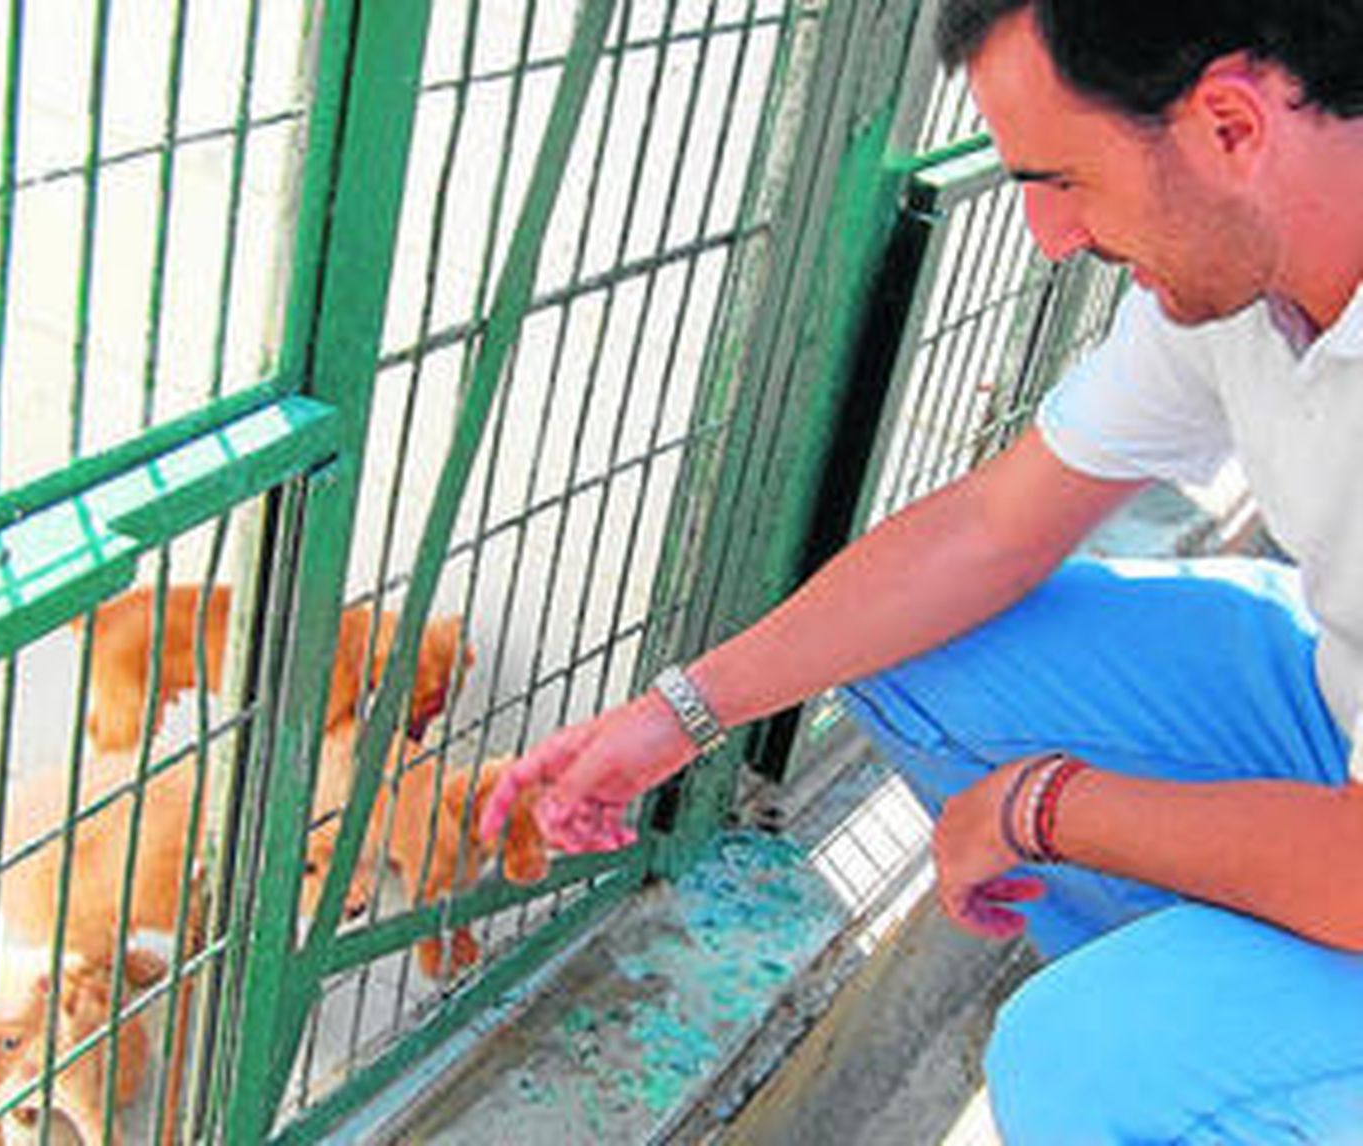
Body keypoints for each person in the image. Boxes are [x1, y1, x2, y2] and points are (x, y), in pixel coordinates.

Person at [480, 1, 1363, 1140]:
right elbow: (991, 526)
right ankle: (1216, 1009)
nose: (1046, 234)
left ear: (1231, 124)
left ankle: (1197, 1067)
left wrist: (1042, 806)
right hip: (1335, 714)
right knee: (926, 651)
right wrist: (674, 715)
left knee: (1075, 1064)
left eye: (1062, 179)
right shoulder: (1249, 264)